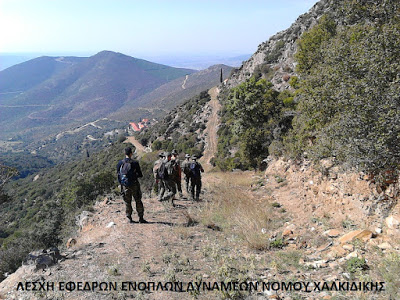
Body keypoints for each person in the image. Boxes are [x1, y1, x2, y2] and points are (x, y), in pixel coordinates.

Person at [117, 147, 147, 223]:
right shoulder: (135, 163)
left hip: (125, 185)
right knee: (138, 200)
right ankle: (141, 218)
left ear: (125, 153)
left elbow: (118, 175)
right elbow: (140, 175)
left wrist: (122, 184)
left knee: (127, 202)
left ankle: (129, 218)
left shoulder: (120, 163)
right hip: (134, 184)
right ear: (131, 153)